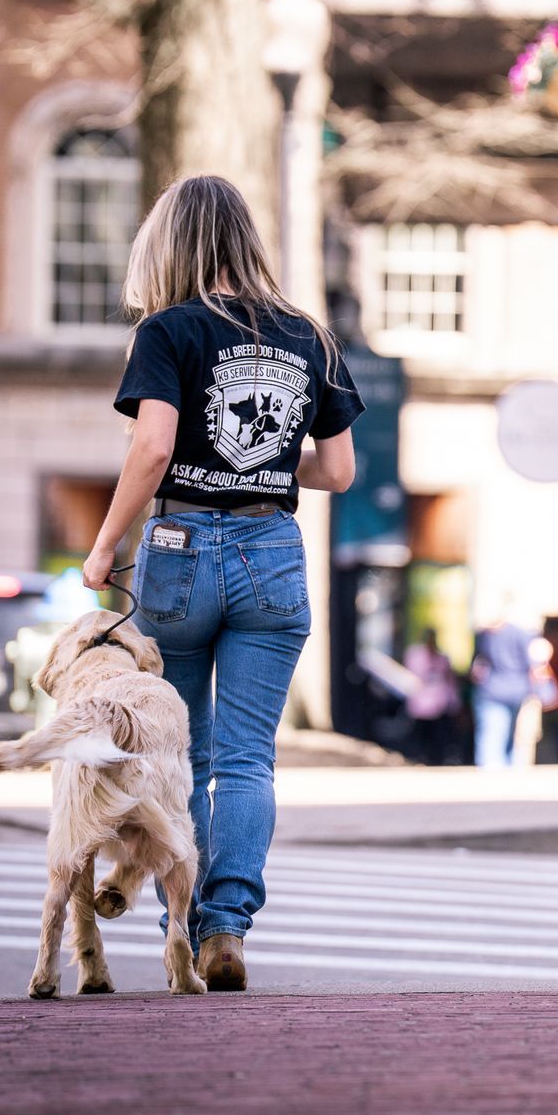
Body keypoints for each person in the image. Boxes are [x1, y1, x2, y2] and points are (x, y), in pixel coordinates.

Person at [81, 174, 364, 993]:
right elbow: (340, 471)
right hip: (272, 547)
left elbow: (153, 450)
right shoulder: (309, 335)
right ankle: (227, 927)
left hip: (181, 548)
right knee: (247, 760)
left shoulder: (167, 331)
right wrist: (272, 464)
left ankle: (184, 914)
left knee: (185, 750)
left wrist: (105, 549)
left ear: (169, 244)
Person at [470, 609, 537, 770]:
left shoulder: (486, 636)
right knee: (506, 731)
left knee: (493, 730)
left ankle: (492, 767)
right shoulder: (519, 634)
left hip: (494, 690)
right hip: (516, 689)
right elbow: (532, 664)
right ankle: (506, 766)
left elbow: (476, 665)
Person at [403, 628, 460, 764]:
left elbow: (449, 680)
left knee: (436, 735)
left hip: (437, 704)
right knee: (422, 735)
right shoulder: (415, 656)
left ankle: (433, 758)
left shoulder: (441, 658)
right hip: (422, 703)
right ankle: (422, 758)